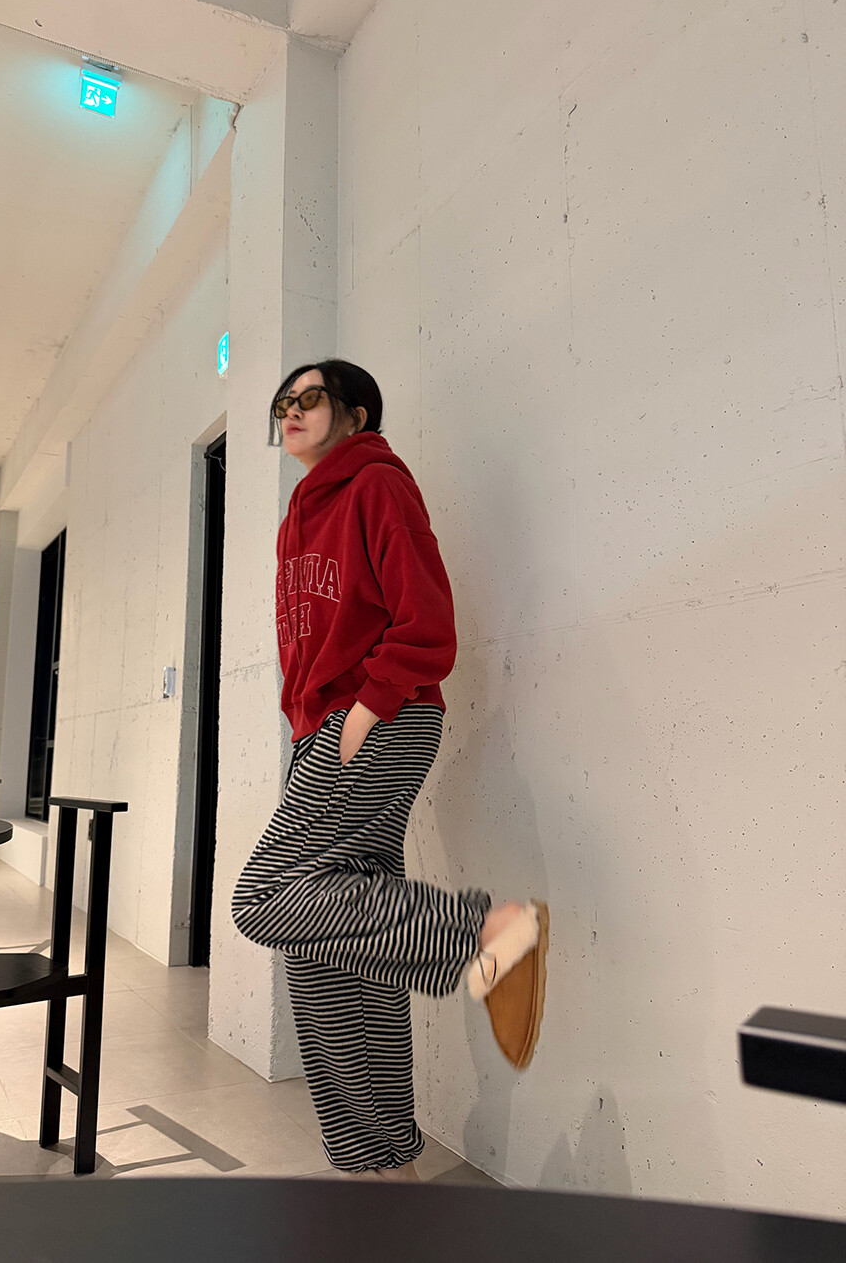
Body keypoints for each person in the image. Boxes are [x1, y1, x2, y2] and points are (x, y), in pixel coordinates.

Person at [232, 360, 548, 1182]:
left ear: (357, 415)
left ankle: (487, 934)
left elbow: (427, 618)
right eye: (283, 402)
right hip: (324, 732)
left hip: (379, 716)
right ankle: (380, 1168)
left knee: (265, 896)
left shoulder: (378, 484)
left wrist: (367, 707)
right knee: (329, 958)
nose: (291, 410)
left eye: (309, 398)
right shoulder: (298, 516)